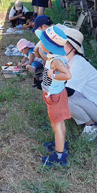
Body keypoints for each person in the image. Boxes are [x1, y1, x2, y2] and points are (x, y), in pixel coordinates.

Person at [64, 28, 97, 141]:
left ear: (73, 48)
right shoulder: (70, 61)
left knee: (63, 97)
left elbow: (68, 91)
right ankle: (85, 119)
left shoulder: (78, 63)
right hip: (95, 104)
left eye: (63, 44)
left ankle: (92, 125)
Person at [36, 26, 72, 167]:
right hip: (57, 94)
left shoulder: (56, 61)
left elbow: (68, 74)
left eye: (42, 42)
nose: (40, 43)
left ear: (49, 45)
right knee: (60, 121)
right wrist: (40, 53)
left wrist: (53, 75)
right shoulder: (56, 58)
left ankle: (59, 155)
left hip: (54, 97)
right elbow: (56, 64)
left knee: (56, 125)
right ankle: (61, 143)